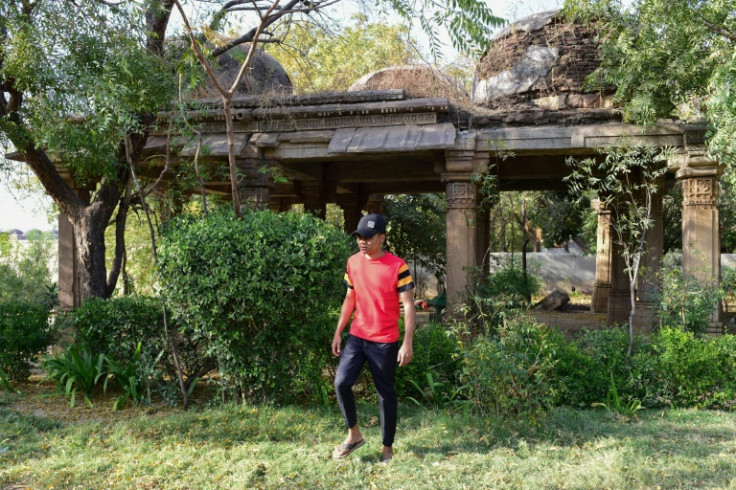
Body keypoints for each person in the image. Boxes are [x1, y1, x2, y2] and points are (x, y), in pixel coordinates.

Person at [331, 213, 416, 463]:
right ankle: (354, 435)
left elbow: (409, 305)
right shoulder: (353, 262)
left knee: (385, 393)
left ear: (382, 237)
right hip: (357, 336)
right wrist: (339, 331)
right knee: (341, 383)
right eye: (360, 237)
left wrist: (407, 342)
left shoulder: (397, 266)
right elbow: (350, 298)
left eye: (368, 237)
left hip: (385, 340)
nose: (363, 241)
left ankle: (387, 448)